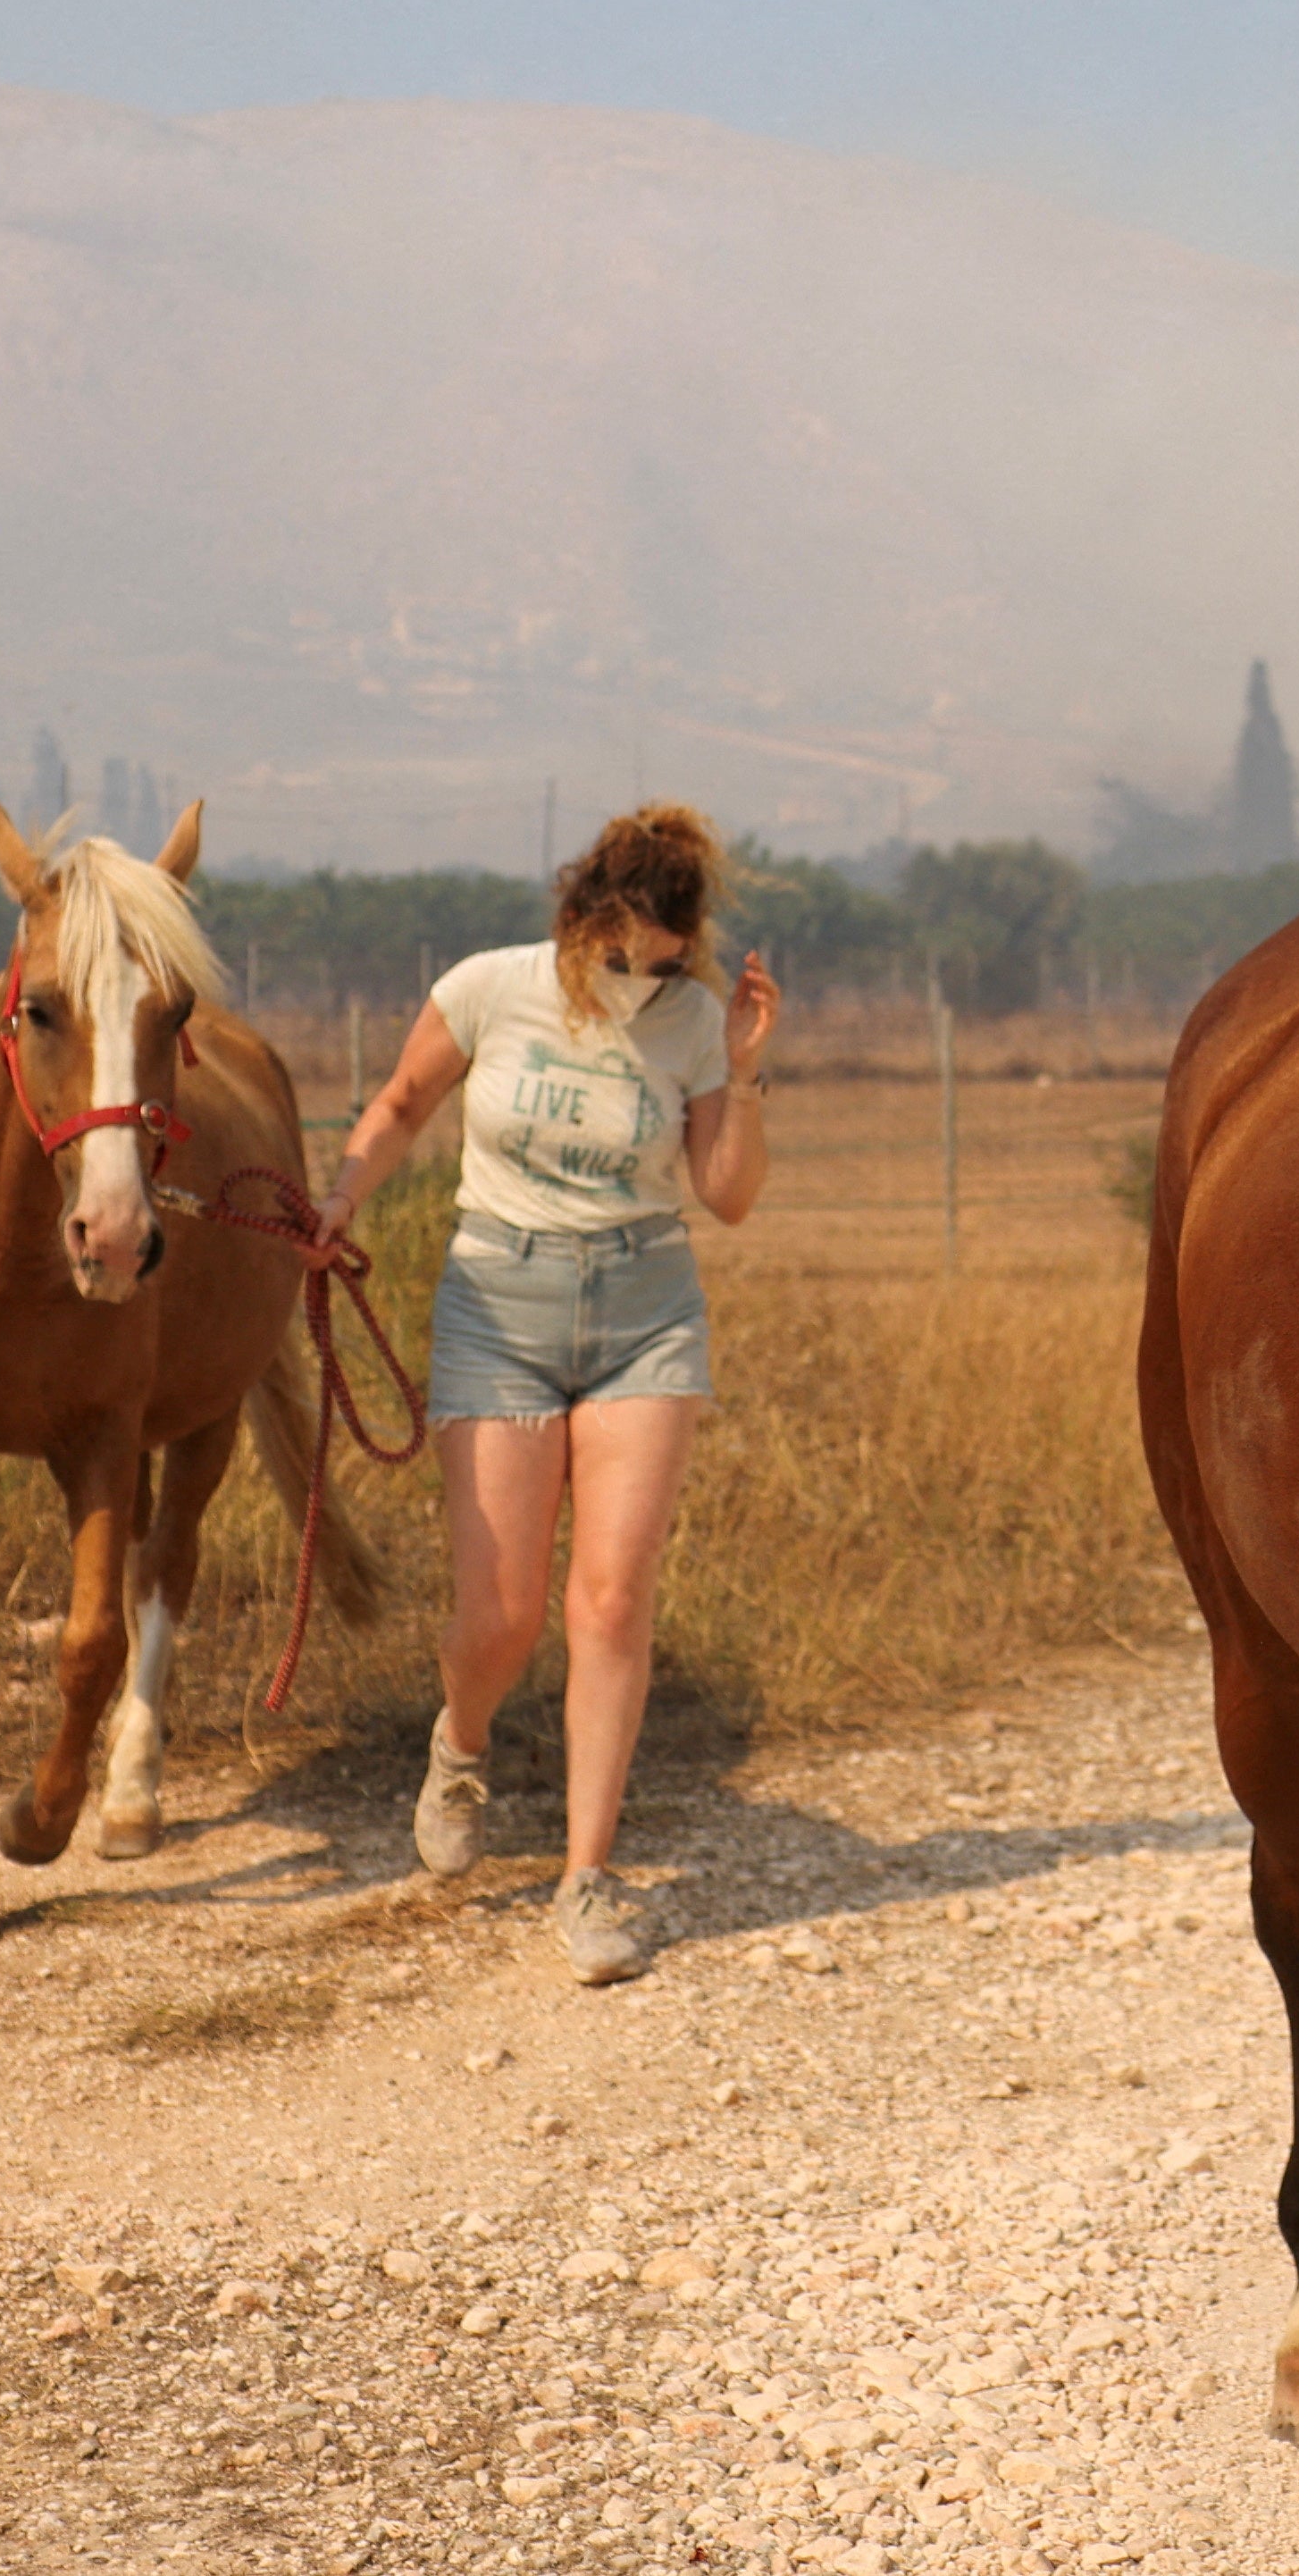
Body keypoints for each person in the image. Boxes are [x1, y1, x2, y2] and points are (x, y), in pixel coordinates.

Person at [313, 802, 780, 1984]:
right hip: (499, 1306)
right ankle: (460, 1745)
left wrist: (747, 1064)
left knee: (613, 1600)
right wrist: (344, 1195)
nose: (638, 979)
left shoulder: (690, 1026)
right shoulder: (490, 986)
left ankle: (587, 1876)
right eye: (619, 954)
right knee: (503, 1614)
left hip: (644, 1307)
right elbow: (403, 1102)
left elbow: (726, 1195)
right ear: (582, 919)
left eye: (663, 961)